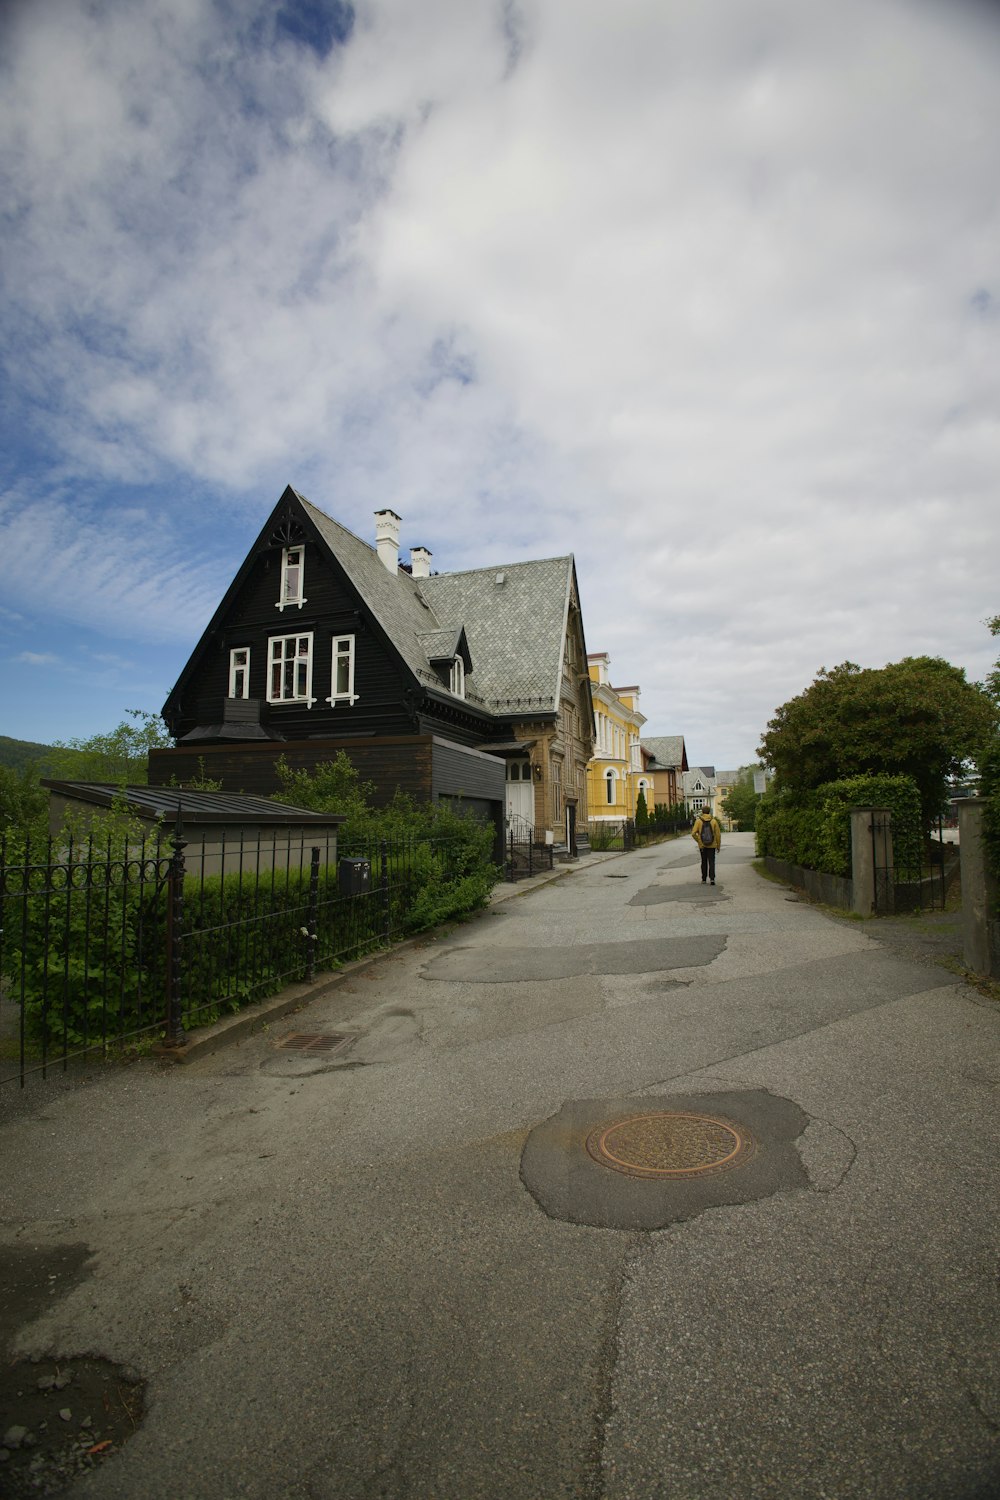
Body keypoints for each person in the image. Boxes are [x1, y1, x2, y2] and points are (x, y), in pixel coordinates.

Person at [691, 803, 721, 884]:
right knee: (712, 861)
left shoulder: (698, 821)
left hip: (702, 845)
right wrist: (718, 845)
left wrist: (699, 841)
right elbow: (718, 834)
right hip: (712, 845)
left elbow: (693, 833)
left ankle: (704, 879)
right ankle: (712, 879)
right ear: (709, 812)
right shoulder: (714, 821)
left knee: (703, 862)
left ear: (702, 812)